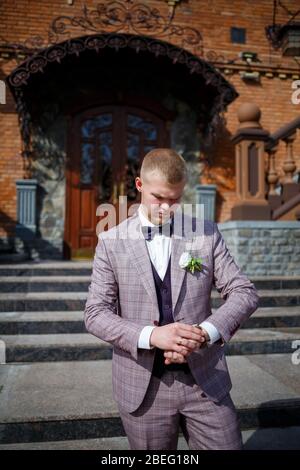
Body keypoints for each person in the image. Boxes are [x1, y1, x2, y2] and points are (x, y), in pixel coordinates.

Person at [84, 148, 259, 450]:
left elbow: (243, 292)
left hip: (205, 380)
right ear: (139, 186)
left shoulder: (205, 233)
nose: (166, 207)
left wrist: (204, 333)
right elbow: (96, 313)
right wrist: (152, 335)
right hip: (143, 387)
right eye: (158, 197)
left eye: (175, 199)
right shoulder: (111, 243)